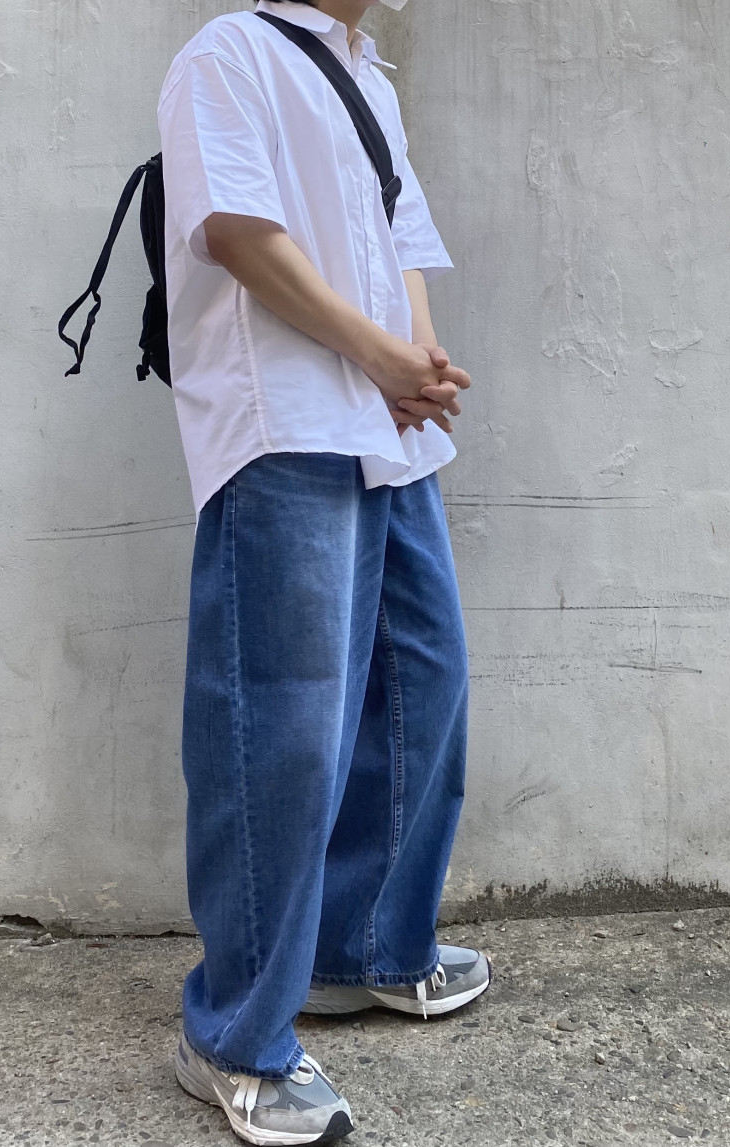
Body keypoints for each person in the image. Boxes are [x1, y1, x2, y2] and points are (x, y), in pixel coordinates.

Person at [157, 2, 490, 1142]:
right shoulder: (229, 54)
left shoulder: (371, 78)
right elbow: (240, 235)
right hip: (287, 424)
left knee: (423, 682)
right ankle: (233, 1034)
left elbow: (402, 241)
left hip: (387, 430)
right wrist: (382, 359)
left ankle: (364, 946)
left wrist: (417, 361)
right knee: (280, 727)